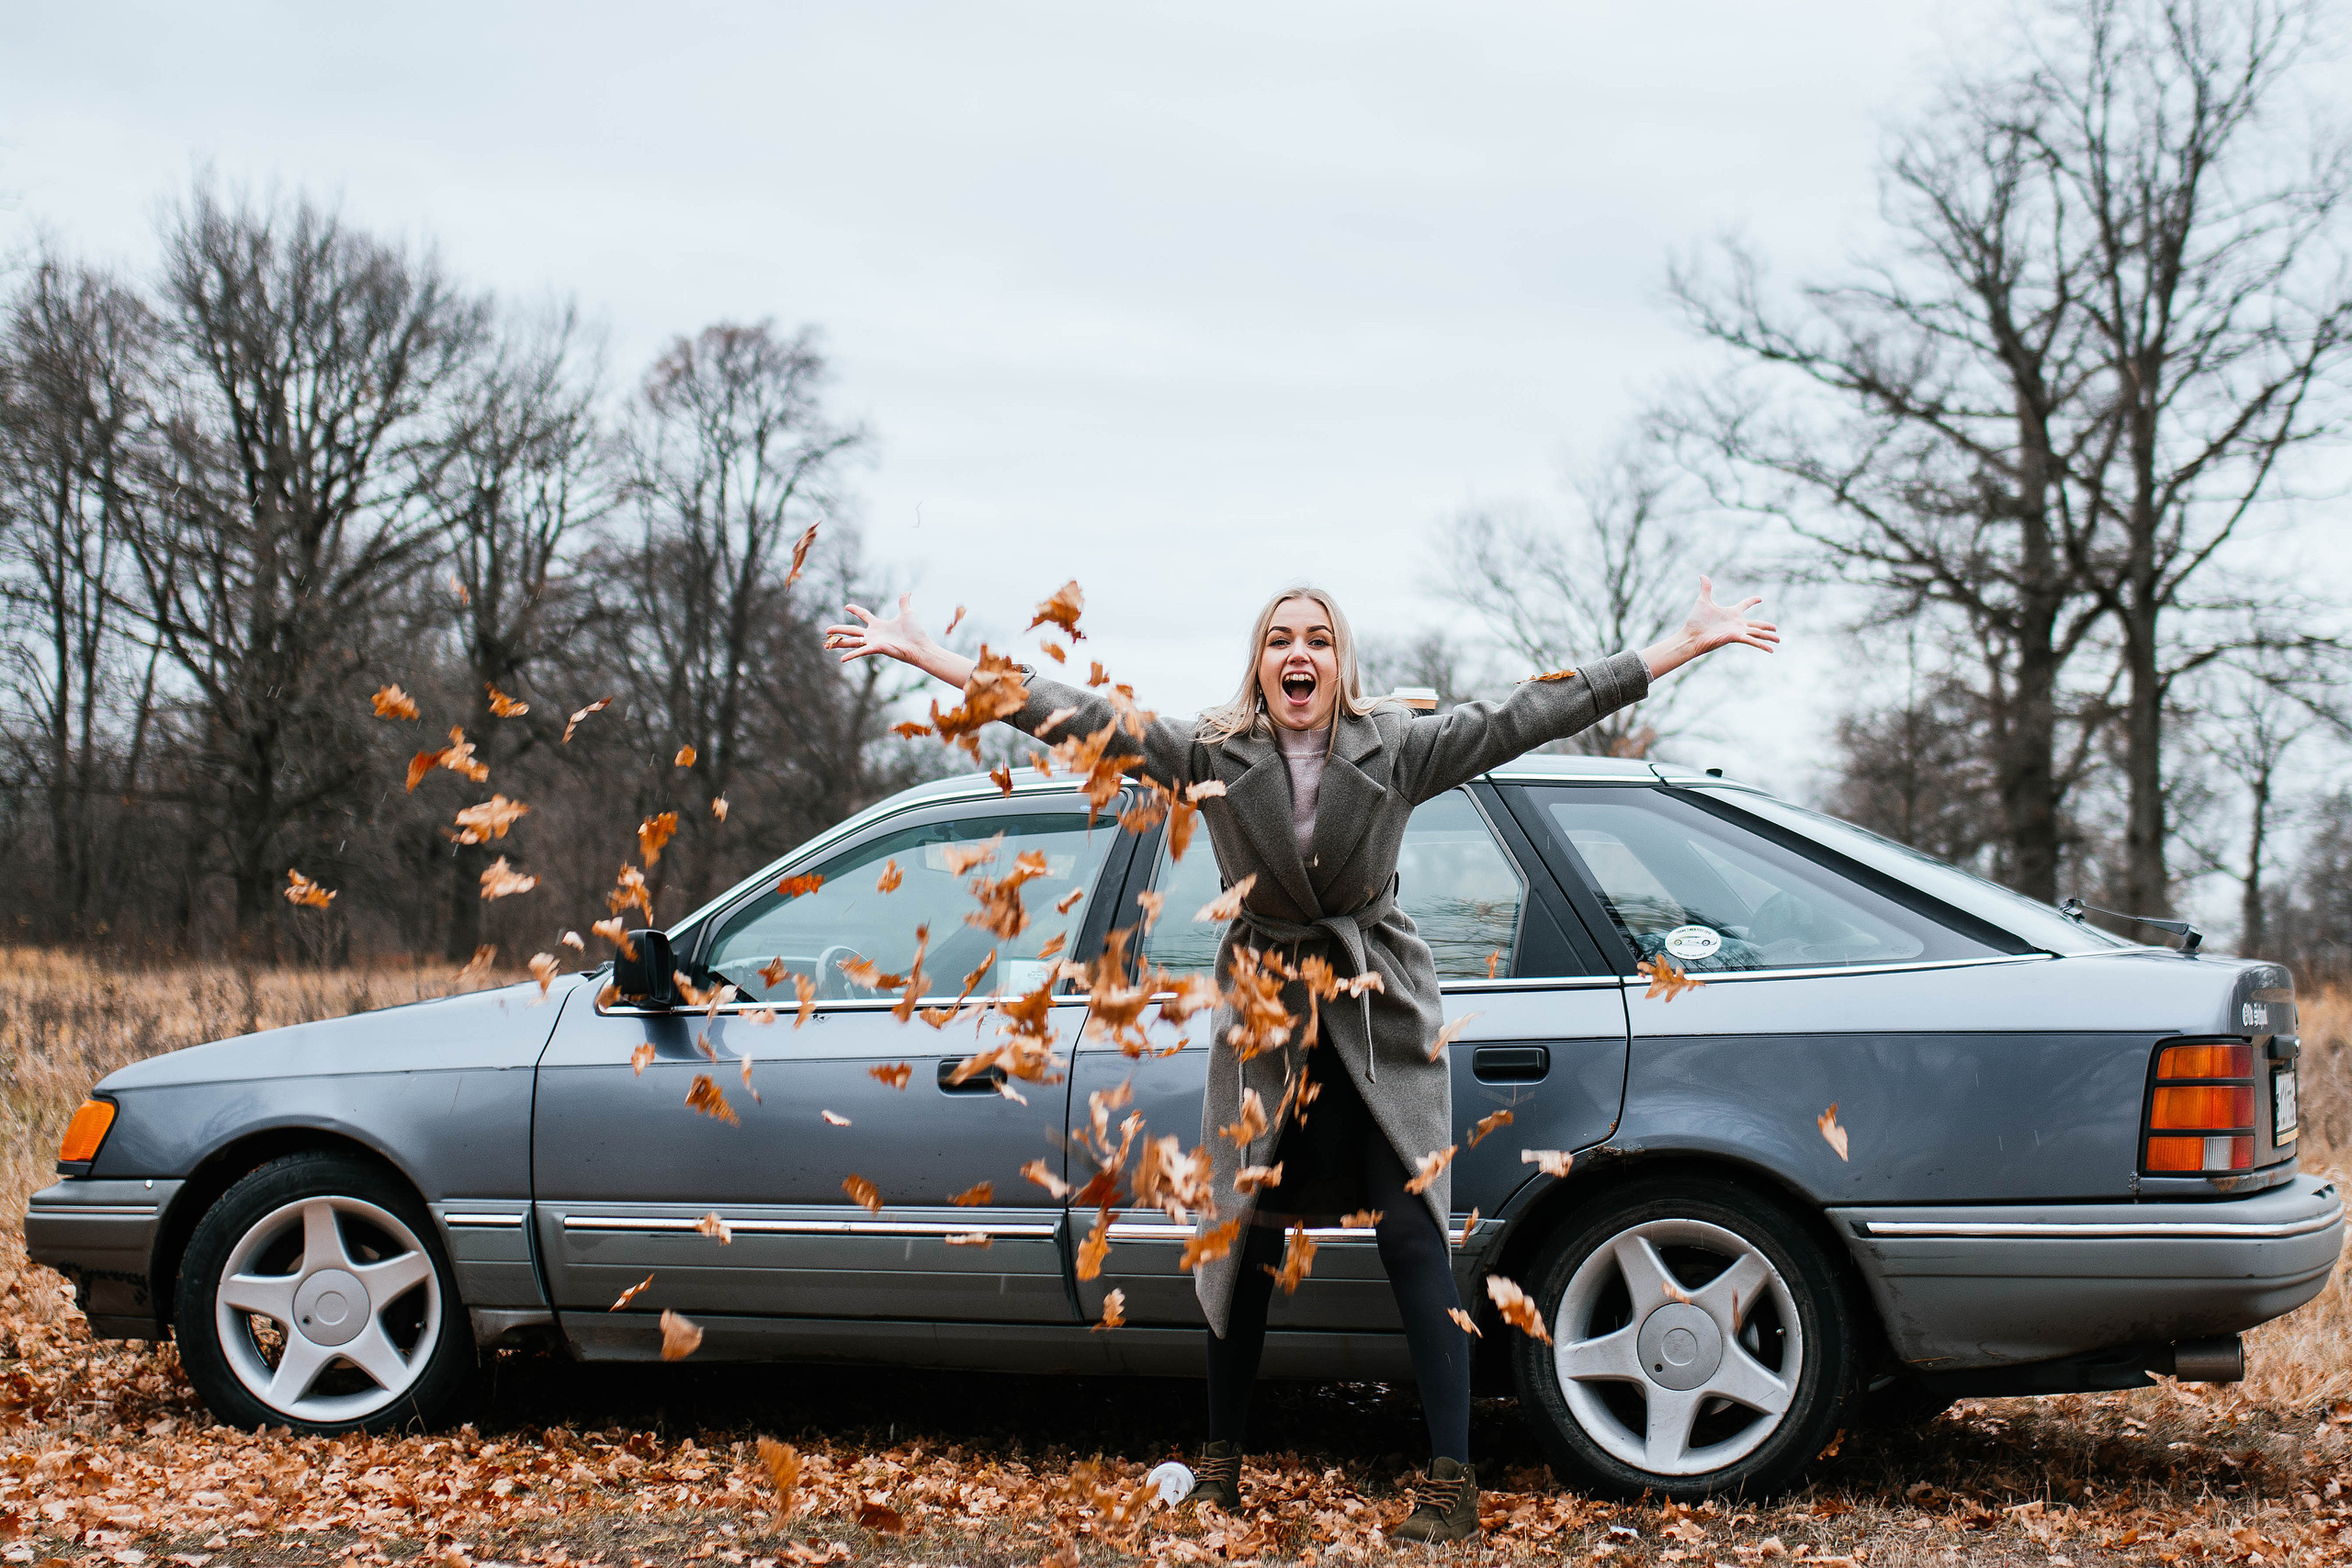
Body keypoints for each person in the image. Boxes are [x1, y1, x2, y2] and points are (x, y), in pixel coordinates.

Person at [823, 578, 1777, 1542]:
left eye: (1317, 640)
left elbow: (1532, 710)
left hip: (1374, 1017)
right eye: (1282, 639)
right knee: (1244, 1246)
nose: (1300, 655)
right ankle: (1221, 1469)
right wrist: (927, 657)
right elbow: (1074, 716)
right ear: (1261, 663)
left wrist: (1683, 644)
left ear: (1338, 662)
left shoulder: (1397, 748)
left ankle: (1451, 1483)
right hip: (1270, 1025)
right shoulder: (1209, 751)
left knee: (1412, 1239)